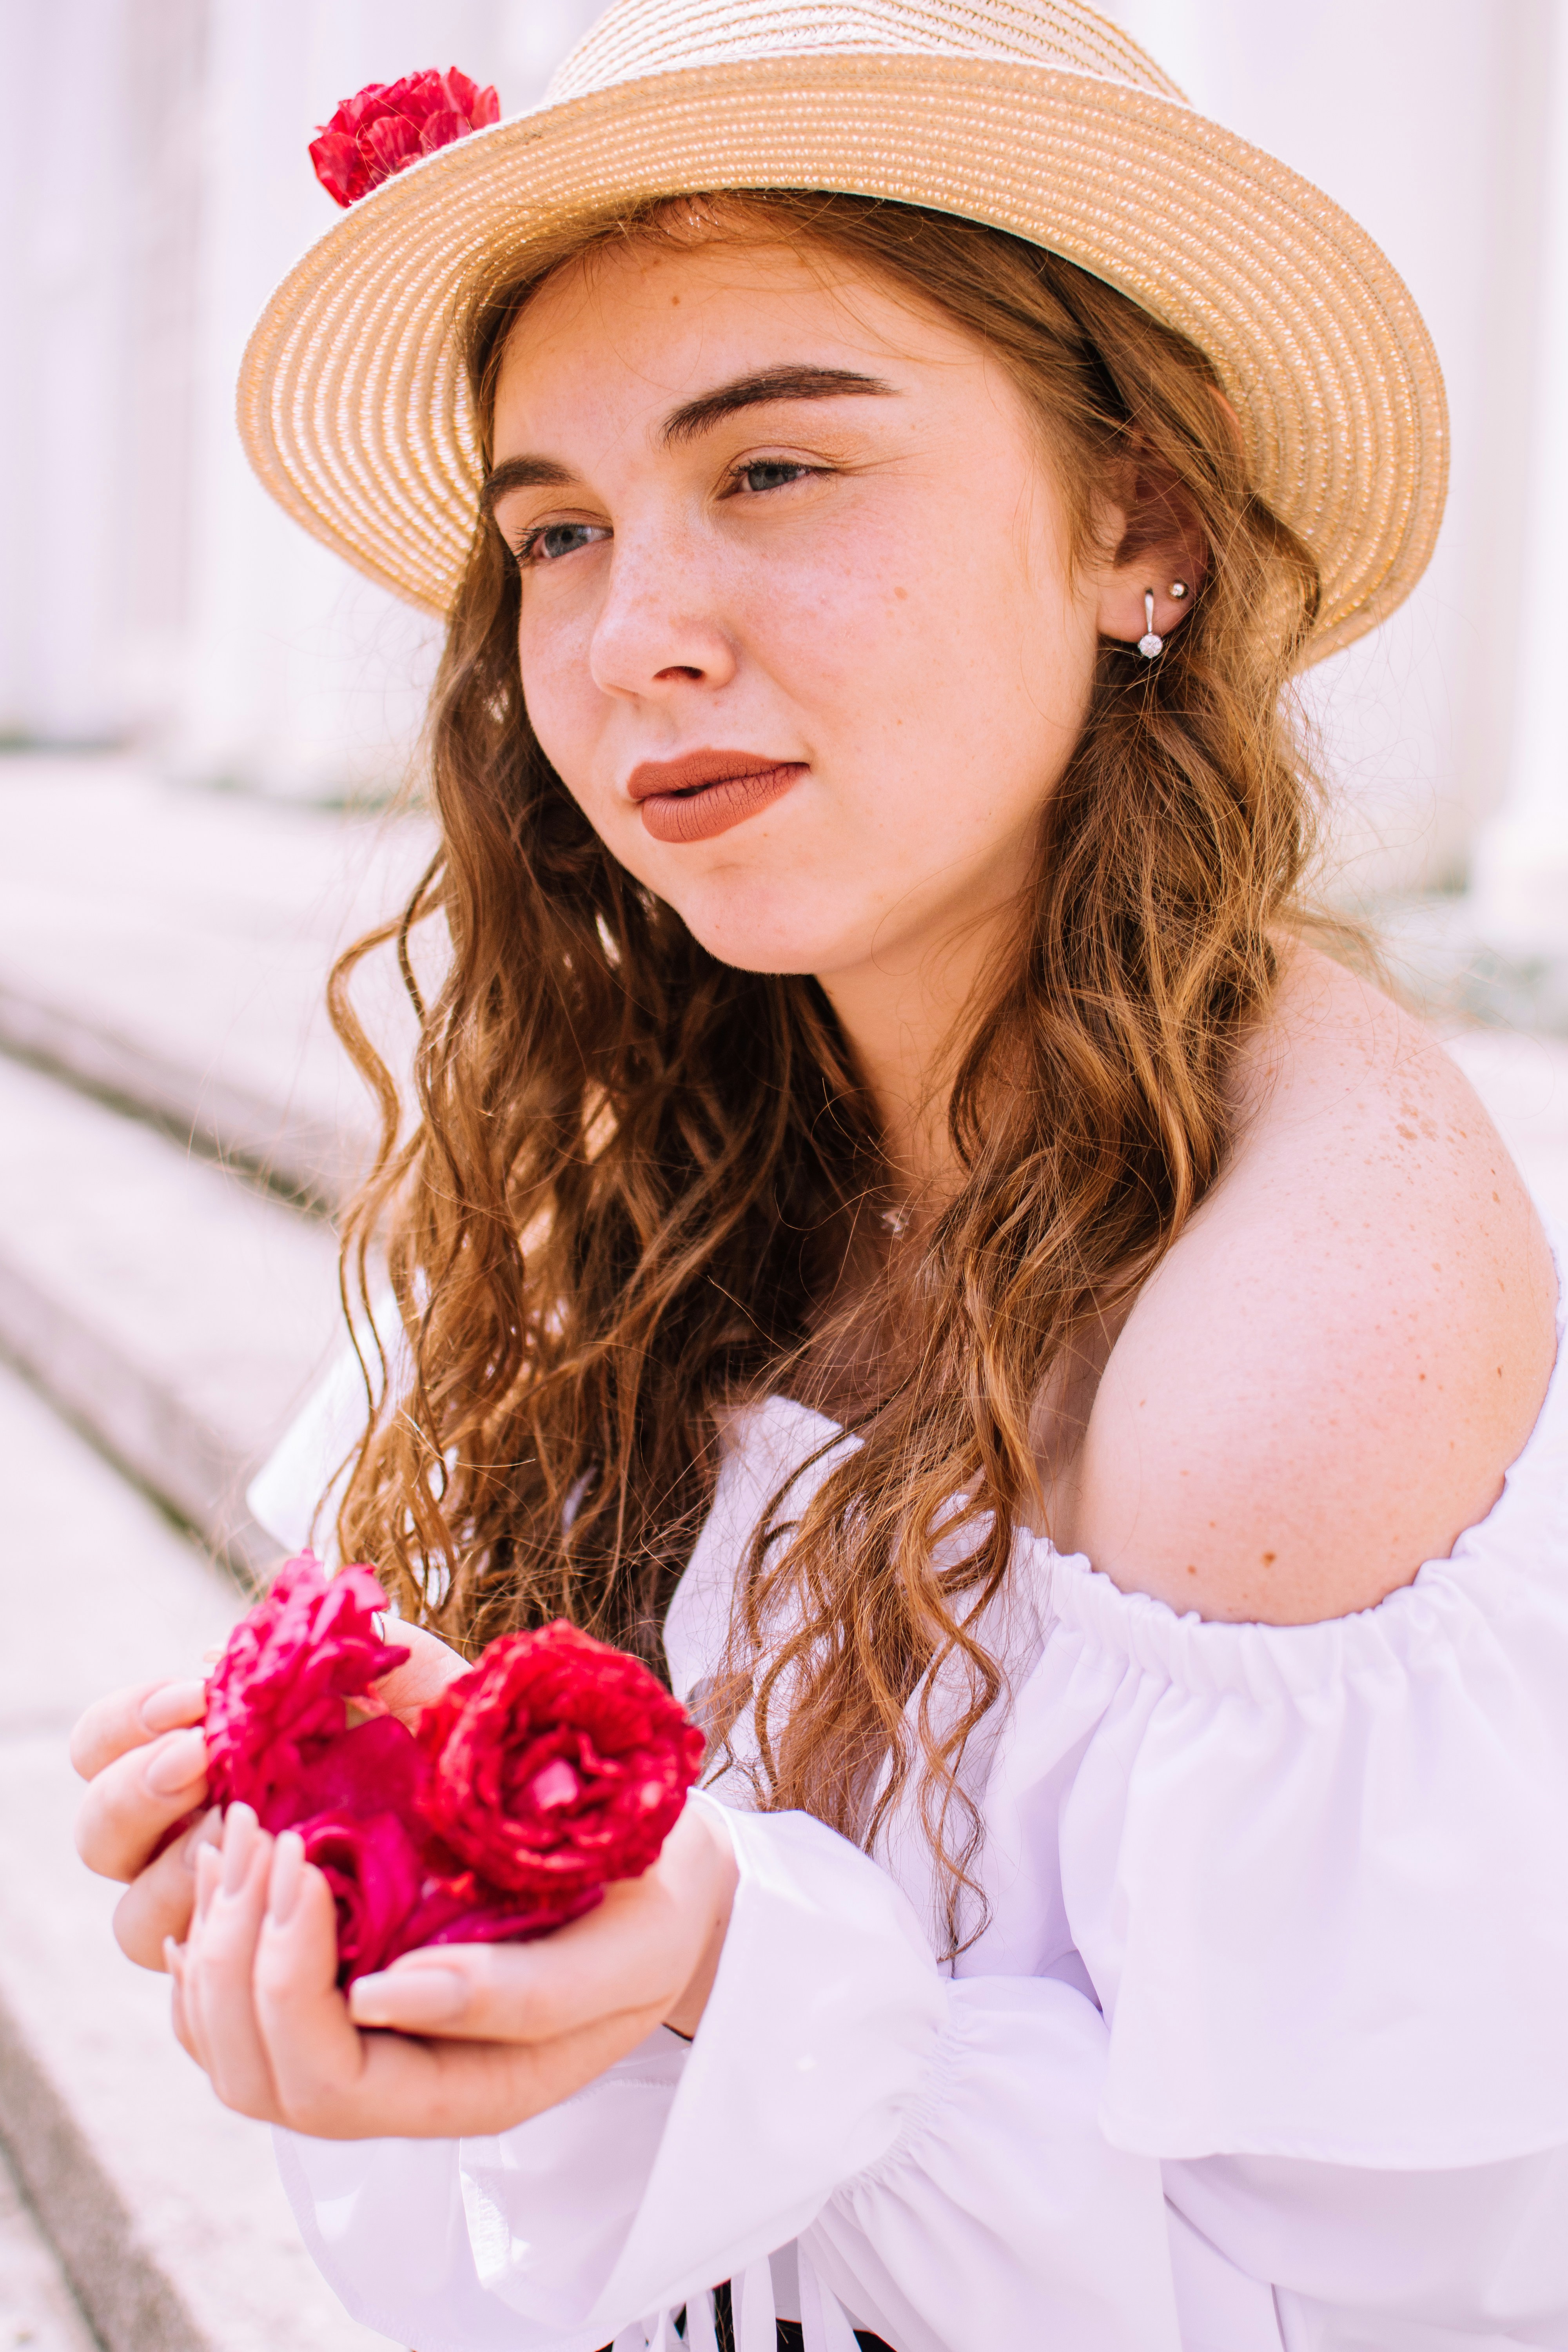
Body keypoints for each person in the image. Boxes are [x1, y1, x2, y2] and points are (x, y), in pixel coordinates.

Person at [69, 1, 1568, 2345]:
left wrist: (730, 1977)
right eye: (555, 530)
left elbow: (1331, 2299)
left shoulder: (1297, 1332)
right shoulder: (660, 1130)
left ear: (1139, 524)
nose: (635, 640)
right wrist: (405, 1873)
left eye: (775, 472)